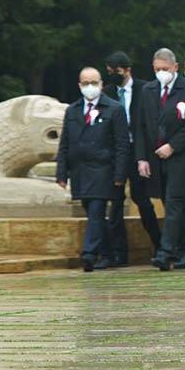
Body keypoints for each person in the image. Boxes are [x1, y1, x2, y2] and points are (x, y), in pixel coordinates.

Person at [134, 47, 185, 271]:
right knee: (170, 204)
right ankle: (184, 252)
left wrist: (173, 146)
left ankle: (164, 253)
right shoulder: (148, 90)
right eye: (157, 69)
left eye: (165, 68)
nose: (161, 72)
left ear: (175, 67)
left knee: (174, 204)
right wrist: (141, 158)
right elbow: (141, 126)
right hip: (155, 158)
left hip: (180, 157)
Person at [56, 67, 130, 271]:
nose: (90, 87)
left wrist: (119, 175)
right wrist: (61, 173)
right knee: (93, 213)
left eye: (94, 83)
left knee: (97, 211)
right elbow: (65, 143)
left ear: (101, 84)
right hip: (79, 171)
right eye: (85, 83)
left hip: (102, 170)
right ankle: (106, 253)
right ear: (80, 85)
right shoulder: (72, 110)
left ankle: (89, 254)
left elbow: (122, 145)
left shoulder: (114, 109)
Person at [102, 51, 158, 267]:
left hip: (139, 152)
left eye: (116, 71)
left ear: (127, 70)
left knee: (142, 200)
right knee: (115, 204)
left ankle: (159, 244)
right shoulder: (107, 93)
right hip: (117, 153)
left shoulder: (144, 89)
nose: (112, 75)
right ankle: (119, 252)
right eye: (109, 72)